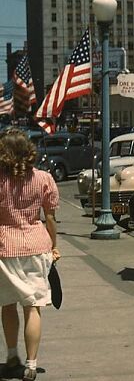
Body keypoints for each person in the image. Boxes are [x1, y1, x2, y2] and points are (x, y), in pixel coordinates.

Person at [0, 128, 60, 381]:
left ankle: (12, 354)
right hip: (36, 245)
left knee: (7, 304)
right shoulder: (44, 178)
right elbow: (50, 217)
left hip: (4, 247)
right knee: (33, 306)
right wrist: (53, 246)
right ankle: (31, 364)